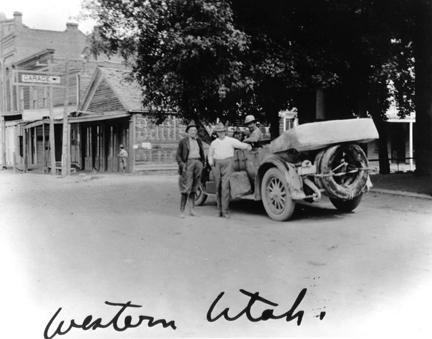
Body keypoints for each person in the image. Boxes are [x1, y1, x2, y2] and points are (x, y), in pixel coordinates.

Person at [208, 122, 252, 218]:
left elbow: (240, 145)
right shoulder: (214, 143)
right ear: (217, 133)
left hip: (228, 164)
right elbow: (210, 154)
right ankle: (219, 210)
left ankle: (225, 211)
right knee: (218, 187)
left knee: (225, 187)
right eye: (219, 132)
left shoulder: (231, 140)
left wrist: (248, 146)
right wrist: (211, 163)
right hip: (217, 164)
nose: (221, 133)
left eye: (223, 131)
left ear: (225, 132)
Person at [176, 120, 205, 218]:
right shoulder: (183, 142)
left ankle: (192, 210)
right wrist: (182, 164)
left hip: (198, 163)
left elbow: (202, 153)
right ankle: (182, 211)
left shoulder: (199, 141)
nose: (193, 132)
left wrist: (202, 163)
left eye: (195, 130)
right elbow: (178, 155)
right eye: (191, 130)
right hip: (188, 164)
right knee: (186, 188)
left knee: (194, 187)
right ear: (188, 132)